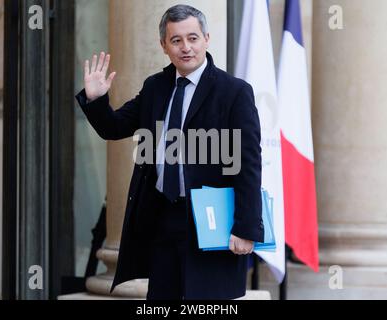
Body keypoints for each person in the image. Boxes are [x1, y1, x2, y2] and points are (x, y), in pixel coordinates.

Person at [76, 4, 263, 300]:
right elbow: (113, 128)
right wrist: (95, 99)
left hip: (211, 221)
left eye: (192, 38)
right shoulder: (156, 88)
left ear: (206, 39)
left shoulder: (234, 92)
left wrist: (247, 226)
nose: (185, 48)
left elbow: (248, 163)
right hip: (162, 218)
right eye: (176, 40)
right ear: (164, 45)